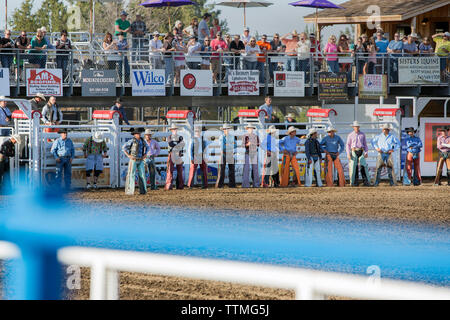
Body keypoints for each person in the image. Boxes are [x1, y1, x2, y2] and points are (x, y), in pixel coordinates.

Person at [123, 128, 147, 195]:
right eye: (138, 133)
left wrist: (145, 154)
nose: (139, 134)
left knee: (142, 174)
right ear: (135, 135)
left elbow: (147, 147)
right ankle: (130, 191)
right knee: (132, 174)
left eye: (139, 133)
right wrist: (129, 156)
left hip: (140, 159)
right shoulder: (131, 141)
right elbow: (124, 147)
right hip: (134, 159)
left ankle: (143, 190)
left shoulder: (142, 141)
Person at [346, 121, 371, 187]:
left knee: (363, 166)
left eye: (357, 126)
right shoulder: (350, 135)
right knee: (354, 167)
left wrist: (366, 152)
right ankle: (354, 181)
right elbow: (348, 145)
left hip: (361, 150)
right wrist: (348, 154)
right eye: (355, 126)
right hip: (354, 151)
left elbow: (365, 144)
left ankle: (365, 181)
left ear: (359, 127)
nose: (356, 128)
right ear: (353, 127)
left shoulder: (362, 134)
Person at [165, 123, 185, 190]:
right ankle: (169, 185)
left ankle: (179, 185)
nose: (175, 130)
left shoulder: (180, 137)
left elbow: (181, 145)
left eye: (175, 129)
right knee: (170, 170)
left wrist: (176, 144)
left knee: (180, 170)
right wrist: (177, 144)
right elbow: (171, 144)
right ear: (171, 130)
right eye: (173, 129)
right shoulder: (169, 137)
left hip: (177, 154)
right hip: (172, 153)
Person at [216, 123, 236, 188]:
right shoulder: (221, 137)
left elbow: (235, 145)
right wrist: (230, 145)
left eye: (228, 129)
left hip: (229, 154)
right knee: (222, 170)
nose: (227, 130)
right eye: (225, 129)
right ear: (223, 130)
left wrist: (228, 145)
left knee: (232, 170)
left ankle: (232, 184)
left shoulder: (231, 136)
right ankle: (220, 185)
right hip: (224, 154)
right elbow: (222, 147)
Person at [242, 123, 260, 188]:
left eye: (251, 128)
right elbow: (243, 145)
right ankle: (245, 185)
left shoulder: (255, 136)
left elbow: (258, 144)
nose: (251, 129)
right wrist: (248, 144)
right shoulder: (245, 136)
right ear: (247, 129)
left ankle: (256, 184)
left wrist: (252, 143)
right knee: (246, 169)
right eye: (249, 128)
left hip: (254, 153)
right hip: (248, 153)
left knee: (255, 169)